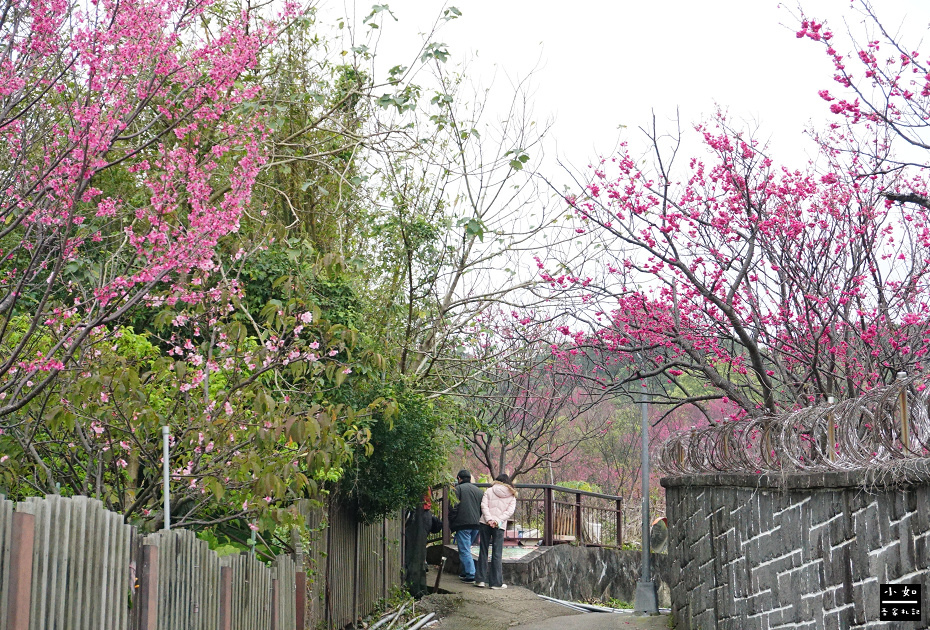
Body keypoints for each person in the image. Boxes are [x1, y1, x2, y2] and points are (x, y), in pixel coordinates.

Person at [474, 473, 517, 590]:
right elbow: (509, 511)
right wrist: (497, 521)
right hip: (499, 526)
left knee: (483, 550)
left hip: (485, 523)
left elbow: (483, 506)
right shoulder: (512, 495)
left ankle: (480, 580)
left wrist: (489, 519)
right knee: (497, 553)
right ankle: (495, 583)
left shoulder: (489, 490)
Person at [404, 490, 442, 598]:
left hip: (419, 517)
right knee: (419, 549)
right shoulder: (425, 489)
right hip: (425, 516)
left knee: (414, 550)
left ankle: (414, 584)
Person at [450, 469, 483, 583]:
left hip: (462, 524)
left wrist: (451, 521)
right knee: (466, 549)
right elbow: (482, 508)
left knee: (464, 550)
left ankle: (471, 574)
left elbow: (453, 507)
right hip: (476, 524)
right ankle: (464, 572)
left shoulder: (457, 489)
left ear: (459, 478)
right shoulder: (479, 491)